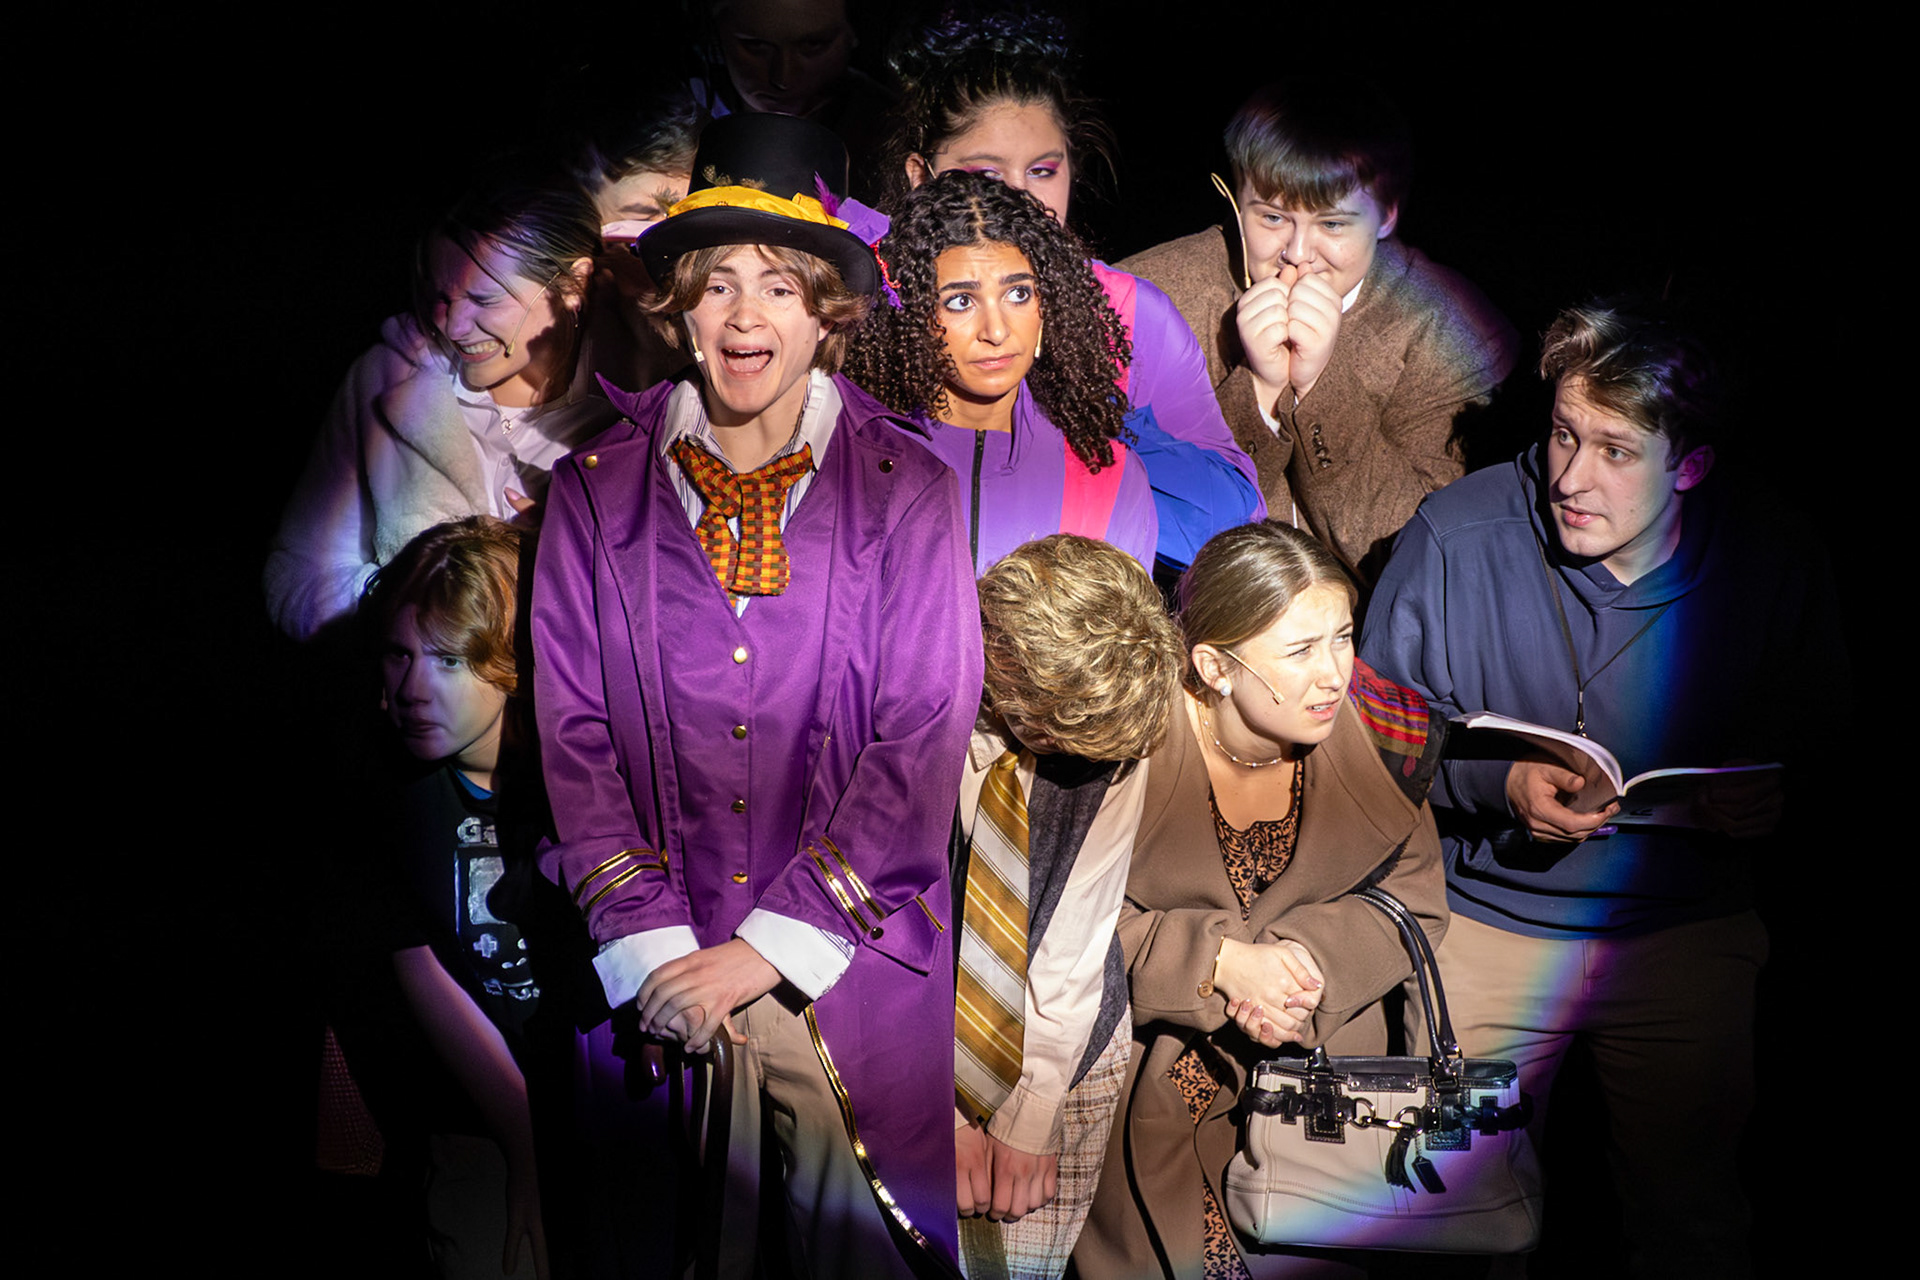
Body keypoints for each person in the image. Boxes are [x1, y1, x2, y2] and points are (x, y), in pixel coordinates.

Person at [532, 111, 980, 1279]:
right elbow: (572, 737)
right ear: (674, 305)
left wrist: (769, 950)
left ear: (825, 315)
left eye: (780, 286)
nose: (744, 316)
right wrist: (659, 949)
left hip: (849, 986)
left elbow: (921, 735)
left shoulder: (910, 491)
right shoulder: (591, 495)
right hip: (659, 988)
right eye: (717, 283)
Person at [1360, 299, 1836, 1276]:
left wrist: (1760, 798)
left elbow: (1821, 731)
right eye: (1564, 434)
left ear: (1689, 466)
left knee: (1690, 1214)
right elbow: (1360, 743)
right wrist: (1494, 784)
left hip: (1679, 926)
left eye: (1616, 450)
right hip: (1485, 919)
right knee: (1449, 1218)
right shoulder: (1459, 534)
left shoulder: (1770, 554)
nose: (1572, 477)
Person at [1076, 520, 1448, 1280]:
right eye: (1300, 651)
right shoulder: (1120, 749)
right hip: (1152, 1086)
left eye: (1342, 637)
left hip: (1323, 1098)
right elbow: (1052, 919)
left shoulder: (1384, 736)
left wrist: (1308, 959)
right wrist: (1216, 964)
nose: (1334, 675)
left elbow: (1414, 894)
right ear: (1213, 665)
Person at [886, 9, 1264, 573]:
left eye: (1042, 171)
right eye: (985, 177)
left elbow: (1232, 515)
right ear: (920, 175)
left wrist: (1084, 419)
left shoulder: (1130, 313)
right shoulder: (868, 304)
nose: (1019, 198)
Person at [1121, 79, 1519, 588]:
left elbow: (1426, 562)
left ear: (1387, 214)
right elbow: (1129, 516)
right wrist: (1259, 394)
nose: (1297, 252)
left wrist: (1320, 388)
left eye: (1332, 225)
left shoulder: (1454, 332)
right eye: (1271, 217)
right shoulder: (1151, 299)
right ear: (1235, 196)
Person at [266, 160, 625, 640]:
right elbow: (297, 577)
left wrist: (565, 560)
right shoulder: (388, 381)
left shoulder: (637, 408)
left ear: (572, 284)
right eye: (442, 296)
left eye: (483, 299)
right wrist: (420, 595)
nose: (452, 326)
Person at [953, 535, 1184, 1279]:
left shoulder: (1117, 717)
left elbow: (1078, 936)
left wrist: (1028, 1116)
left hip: (1062, 1042)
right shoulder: (914, 702)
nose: (1073, 760)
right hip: (894, 1040)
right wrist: (946, 1112)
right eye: (1055, 739)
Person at [356, 516, 552, 1280]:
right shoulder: (386, 794)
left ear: (510, 664)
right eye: (399, 655)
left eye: (445, 660)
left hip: (605, 1112)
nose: (409, 690)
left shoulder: (576, 780)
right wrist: (527, 1153)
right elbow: (421, 972)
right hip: (477, 1123)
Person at [845, 171, 1157, 573]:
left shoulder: (1109, 478)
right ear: (913, 316)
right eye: (960, 301)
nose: (996, 331)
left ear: (1048, 305)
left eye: (1018, 294)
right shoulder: (854, 466)